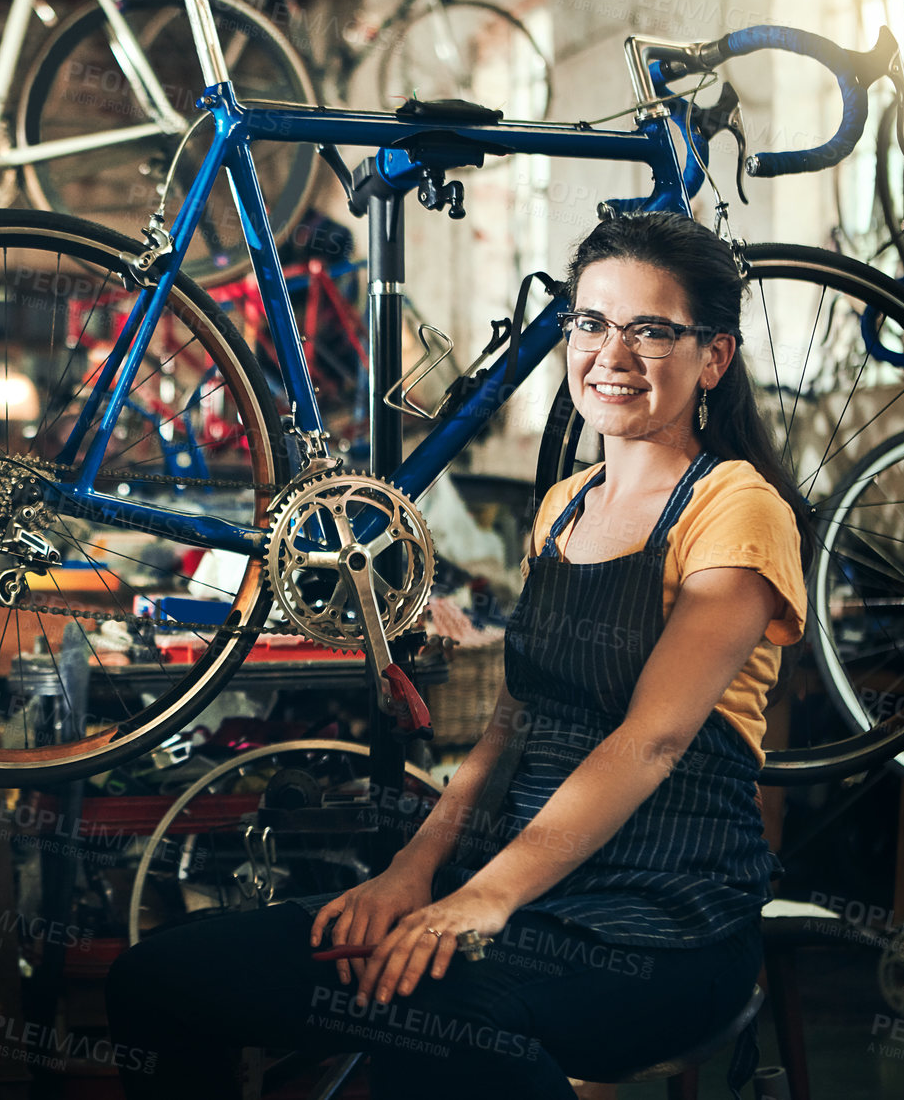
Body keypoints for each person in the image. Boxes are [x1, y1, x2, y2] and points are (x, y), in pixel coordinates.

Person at [106, 212, 810, 1099]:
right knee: (162, 983)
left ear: (713, 357)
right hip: (523, 887)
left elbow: (652, 741)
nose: (612, 355)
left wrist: (487, 899)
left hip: (665, 921)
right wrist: (415, 873)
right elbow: (511, 730)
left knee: (430, 1022)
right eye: (590, 323)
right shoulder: (563, 506)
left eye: (652, 331)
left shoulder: (738, 509)